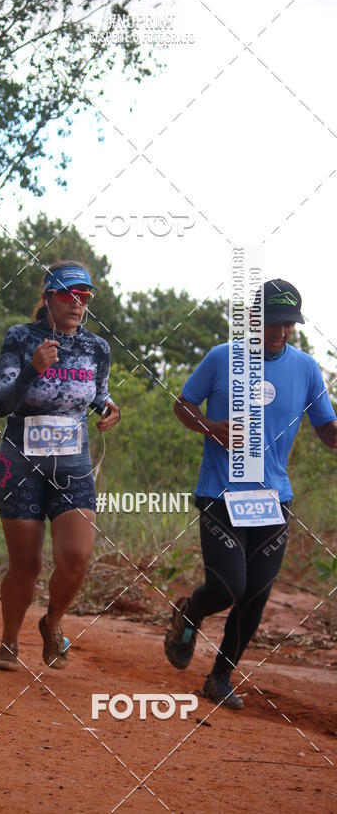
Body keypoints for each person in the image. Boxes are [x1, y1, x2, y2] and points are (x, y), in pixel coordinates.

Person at [165, 279, 337, 708]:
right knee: (227, 587)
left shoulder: (307, 369)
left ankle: (219, 677)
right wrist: (210, 427)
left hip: (273, 498)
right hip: (220, 493)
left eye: (288, 324)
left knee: (255, 596)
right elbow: (183, 404)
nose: (280, 332)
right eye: (273, 323)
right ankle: (190, 611)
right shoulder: (222, 358)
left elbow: (328, 431)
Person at [0, 260, 120, 671]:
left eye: (83, 297)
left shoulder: (97, 348)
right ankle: (9, 640)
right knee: (26, 565)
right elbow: (1, 403)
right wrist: (33, 369)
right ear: (48, 297)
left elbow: (98, 393)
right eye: (67, 294)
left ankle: (52, 623)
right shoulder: (20, 338)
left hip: (72, 462)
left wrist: (109, 406)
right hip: (21, 461)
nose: (76, 303)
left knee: (77, 557)